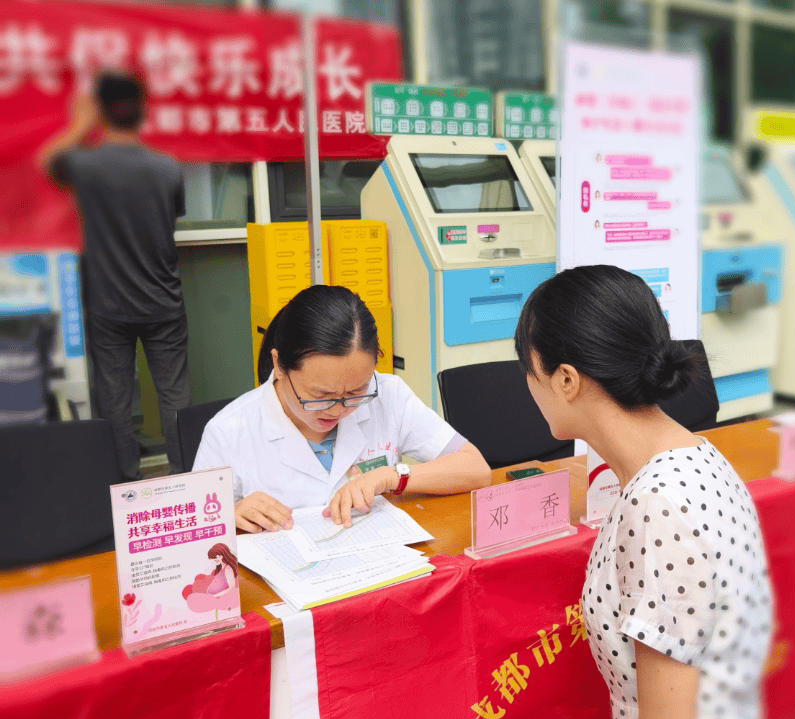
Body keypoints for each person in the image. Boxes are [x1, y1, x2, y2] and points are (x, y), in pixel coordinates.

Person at [514, 265, 773, 719]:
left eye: (529, 369)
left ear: (566, 380)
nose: (527, 386)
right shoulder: (698, 455)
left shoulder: (657, 507)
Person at [192, 284, 491, 533]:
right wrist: (228, 518)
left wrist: (391, 476)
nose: (337, 410)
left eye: (355, 391)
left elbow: (475, 469)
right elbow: (190, 533)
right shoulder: (228, 431)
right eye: (320, 395)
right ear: (279, 365)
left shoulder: (388, 395)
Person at [39, 72, 191, 479]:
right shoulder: (167, 168)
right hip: (163, 300)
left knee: (115, 400)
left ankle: (126, 486)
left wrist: (79, 126)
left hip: (108, 305)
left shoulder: (84, 164)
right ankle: (188, 479)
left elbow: (45, 163)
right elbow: (172, 216)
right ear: (144, 112)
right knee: (176, 398)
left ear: (101, 110)